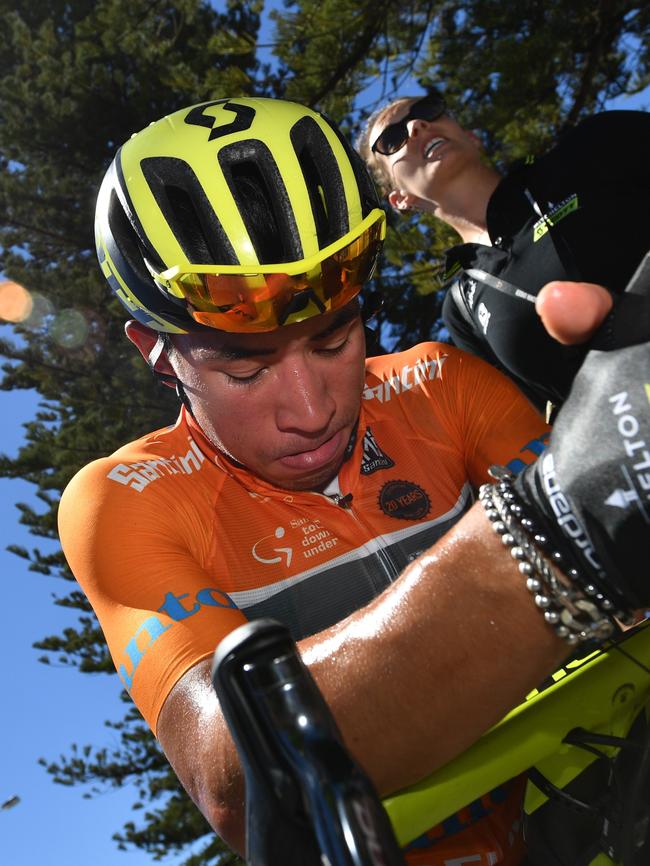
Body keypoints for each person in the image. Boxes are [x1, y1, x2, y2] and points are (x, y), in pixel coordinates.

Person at [58, 97, 648, 865]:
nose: (312, 409)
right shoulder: (127, 497)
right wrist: (555, 538)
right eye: (246, 366)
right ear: (157, 351)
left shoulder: (439, 381)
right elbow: (238, 781)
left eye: (335, 336)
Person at [358, 91, 650, 413]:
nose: (416, 125)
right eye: (392, 140)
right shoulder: (462, 312)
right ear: (401, 200)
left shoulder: (595, 146)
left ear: (471, 137)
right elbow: (531, 427)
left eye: (428, 110)